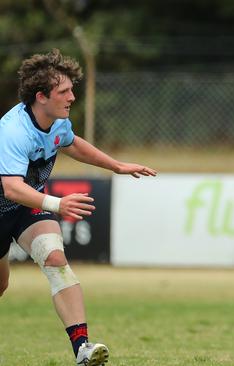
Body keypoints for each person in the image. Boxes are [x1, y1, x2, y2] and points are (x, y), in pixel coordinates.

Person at [0, 49, 157, 365]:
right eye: (65, 91)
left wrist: (115, 165)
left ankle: (82, 348)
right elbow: (11, 187)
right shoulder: (13, 130)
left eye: (72, 89)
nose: (72, 96)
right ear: (41, 96)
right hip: (12, 201)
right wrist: (58, 203)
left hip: (26, 208)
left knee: (55, 258)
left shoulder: (57, 121)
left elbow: (71, 143)